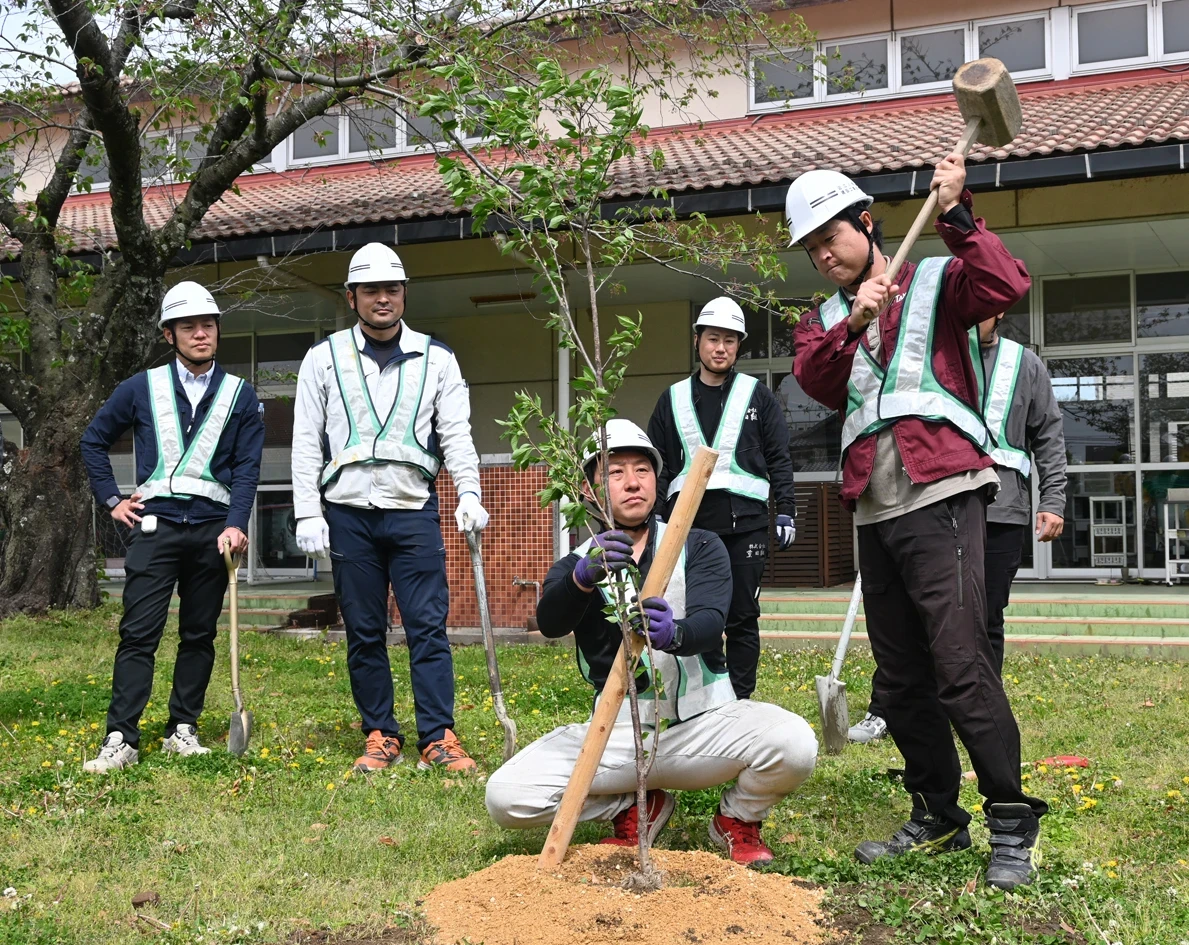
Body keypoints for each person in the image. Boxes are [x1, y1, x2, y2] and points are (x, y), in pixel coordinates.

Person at [787, 157, 1048, 890]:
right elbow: (814, 379)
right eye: (811, 250)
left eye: (829, 238)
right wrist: (856, 322)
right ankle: (936, 810)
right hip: (874, 504)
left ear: (865, 223)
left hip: (944, 488)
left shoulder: (934, 278)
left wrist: (957, 213)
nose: (823, 256)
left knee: (961, 663)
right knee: (899, 678)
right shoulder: (824, 320)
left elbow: (1005, 284)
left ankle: (1009, 819)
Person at [485, 419, 816, 865]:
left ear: (657, 482)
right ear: (590, 491)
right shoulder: (576, 564)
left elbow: (711, 619)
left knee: (794, 744)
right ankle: (634, 805)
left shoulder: (699, 545)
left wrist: (675, 633)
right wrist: (581, 582)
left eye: (641, 470)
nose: (631, 483)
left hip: (704, 724)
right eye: (614, 473)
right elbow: (551, 621)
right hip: (618, 735)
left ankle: (737, 817)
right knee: (506, 796)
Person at [291, 243, 488, 774]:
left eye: (393, 289)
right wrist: (307, 510)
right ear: (352, 297)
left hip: (412, 509)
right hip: (347, 513)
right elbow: (306, 439)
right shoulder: (322, 358)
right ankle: (379, 732)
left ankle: (438, 736)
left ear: (404, 295)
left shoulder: (437, 358)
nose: (384, 299)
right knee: (363, 628)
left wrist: (469, 492)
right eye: (372, 290)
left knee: (428, 625)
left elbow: (458, 436)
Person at [852, 311, 1067, 743]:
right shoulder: (931, 357)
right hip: (935, 506)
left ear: (998, 311)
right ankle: (889, 709)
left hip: (1002, 510)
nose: (967, 318)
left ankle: (982, 713)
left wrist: (1053, 500)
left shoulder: (1024, 364)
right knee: (912, 615)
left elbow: (1048, 434)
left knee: (984, 617)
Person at [80, 281, 264, 772]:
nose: (201, 334)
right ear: (169, 334)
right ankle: (121, 737)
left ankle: (182, 728)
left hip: (211, 532)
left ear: (218, 331)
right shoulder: (141, 387)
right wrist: (112, 499)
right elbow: (93, 441)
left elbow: (247, 468)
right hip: (154, 529)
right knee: (138, 635)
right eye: (189, 327)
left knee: (198, 634)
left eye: (208, 325)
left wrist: (236, 524)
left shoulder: (241, 396)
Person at [647, 298, 797, 700]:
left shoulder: (758, 396)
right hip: (689, 529)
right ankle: (709, 699)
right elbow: (659, 467)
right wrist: (653, 522)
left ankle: (742, 702)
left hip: (745, 524)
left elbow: (779, 456)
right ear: (697, 341)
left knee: (743, 617)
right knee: (701, 616)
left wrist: (787, 510)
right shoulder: (673, 398)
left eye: (730, 341)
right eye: (713, 339)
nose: (721, 348)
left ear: (738, 347)